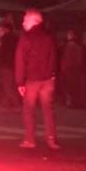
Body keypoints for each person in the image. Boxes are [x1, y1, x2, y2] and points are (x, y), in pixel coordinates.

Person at [15, 8, 60, 150]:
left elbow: (20, 60)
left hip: (32, 79)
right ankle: (51, 139)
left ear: (34, 21)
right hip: (48, 79)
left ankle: (30, 139)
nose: (23, 23)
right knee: (48, 110)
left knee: (29, 109)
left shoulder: (26, 38)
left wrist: (20, 81)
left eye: (25, 20)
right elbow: (54, 57)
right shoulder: (49, 37)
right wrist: (53, 74)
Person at [60, 30, 84, 108]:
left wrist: (64, 67)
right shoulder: (77, 46)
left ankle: (72, 103)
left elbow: (67, 58)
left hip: (70, 69)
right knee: (76, 86)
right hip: (75, 68)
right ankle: (76, 102)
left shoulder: (70, 46)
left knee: (70, 86)